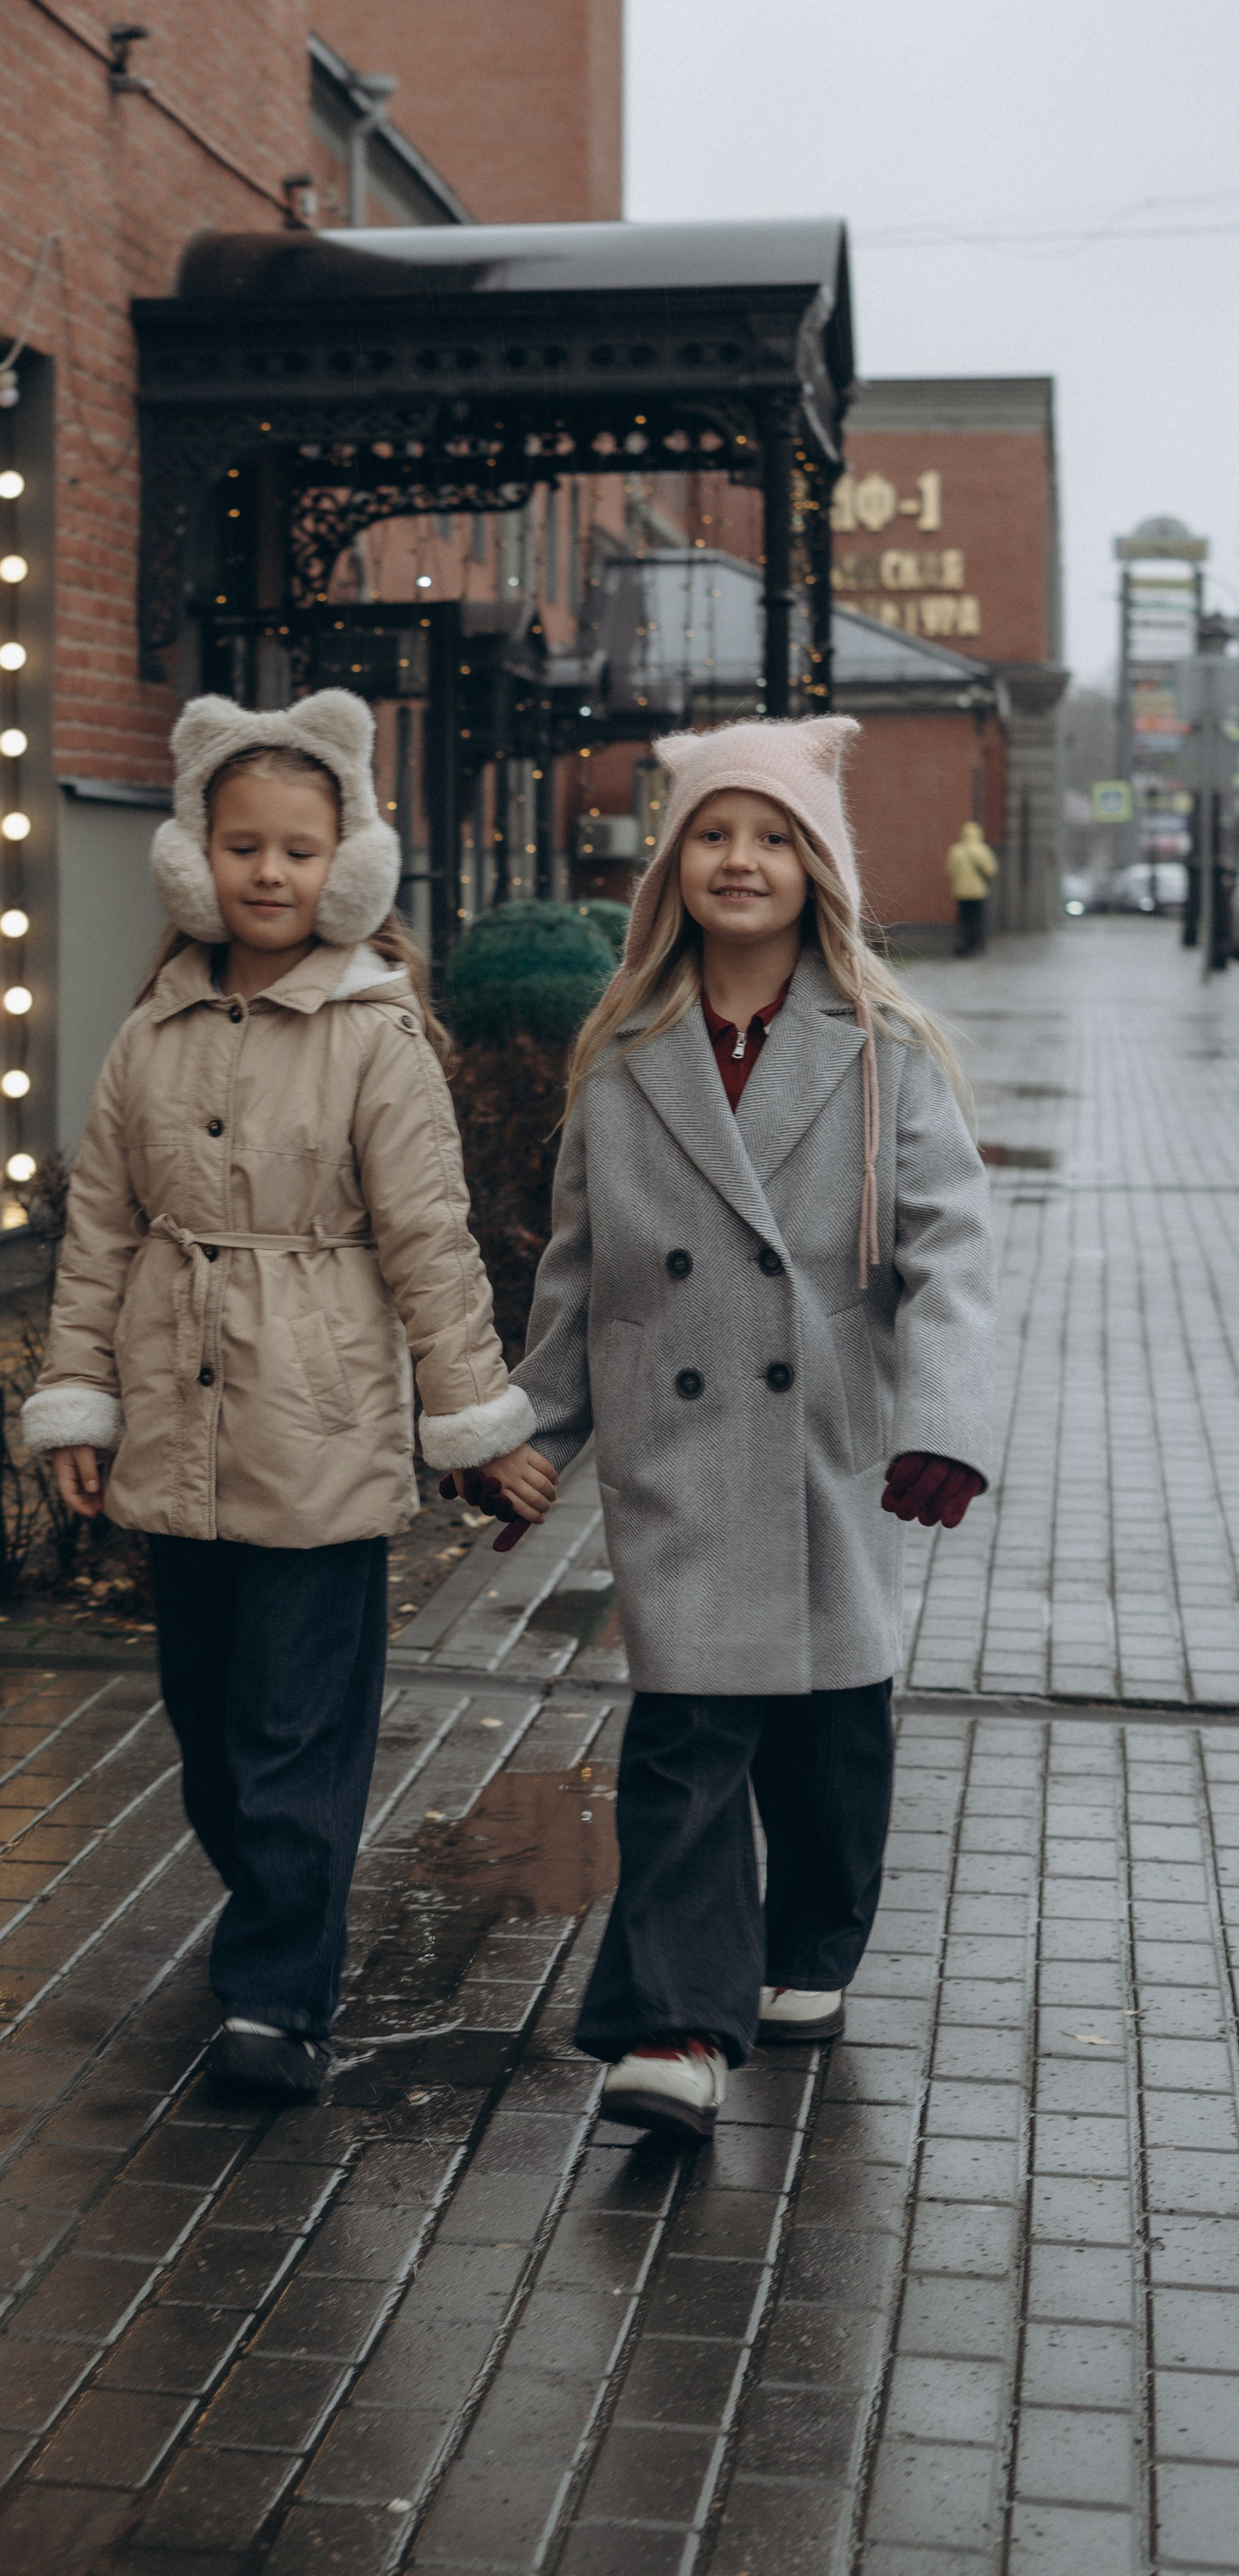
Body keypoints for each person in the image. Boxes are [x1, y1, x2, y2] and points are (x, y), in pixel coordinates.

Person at [21, 689, 555, 2102]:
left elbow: (431, 1240)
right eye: (244, 845)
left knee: (295, 1738)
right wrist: (77, 1392)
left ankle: (276, 1998)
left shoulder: (376, 1036)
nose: (270, 874)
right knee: (209, 1736)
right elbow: (101, 1231)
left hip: (321, 1427)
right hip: (175, 1426)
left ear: (348, 865)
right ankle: (278, 1915)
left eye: (299, 851)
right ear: (197, 859)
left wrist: (472, 1423)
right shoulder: (151, 1034)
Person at [484, 715, 996, 2143]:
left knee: (830, 1734)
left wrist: (945, 1421)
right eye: (712, 832)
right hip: (680, 1449)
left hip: (826, 1437)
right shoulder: (623, 1052)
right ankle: (675, 2028)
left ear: (818, 867)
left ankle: (812, 1942)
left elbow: (953, 1248)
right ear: (671, 868)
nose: (741, 858)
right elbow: (580, 1275)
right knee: (686, 1743)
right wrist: (530, 1436)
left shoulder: (883, 1048)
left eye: (773, 836)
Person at [946, 817, 998, 955]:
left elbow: (949, 870)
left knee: (965, 920)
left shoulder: (956, 850)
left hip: (961, 892)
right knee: (978, 920)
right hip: (978, 892)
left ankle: (966, 945)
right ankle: (979, 946)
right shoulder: (983, 850)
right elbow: (991, 870)